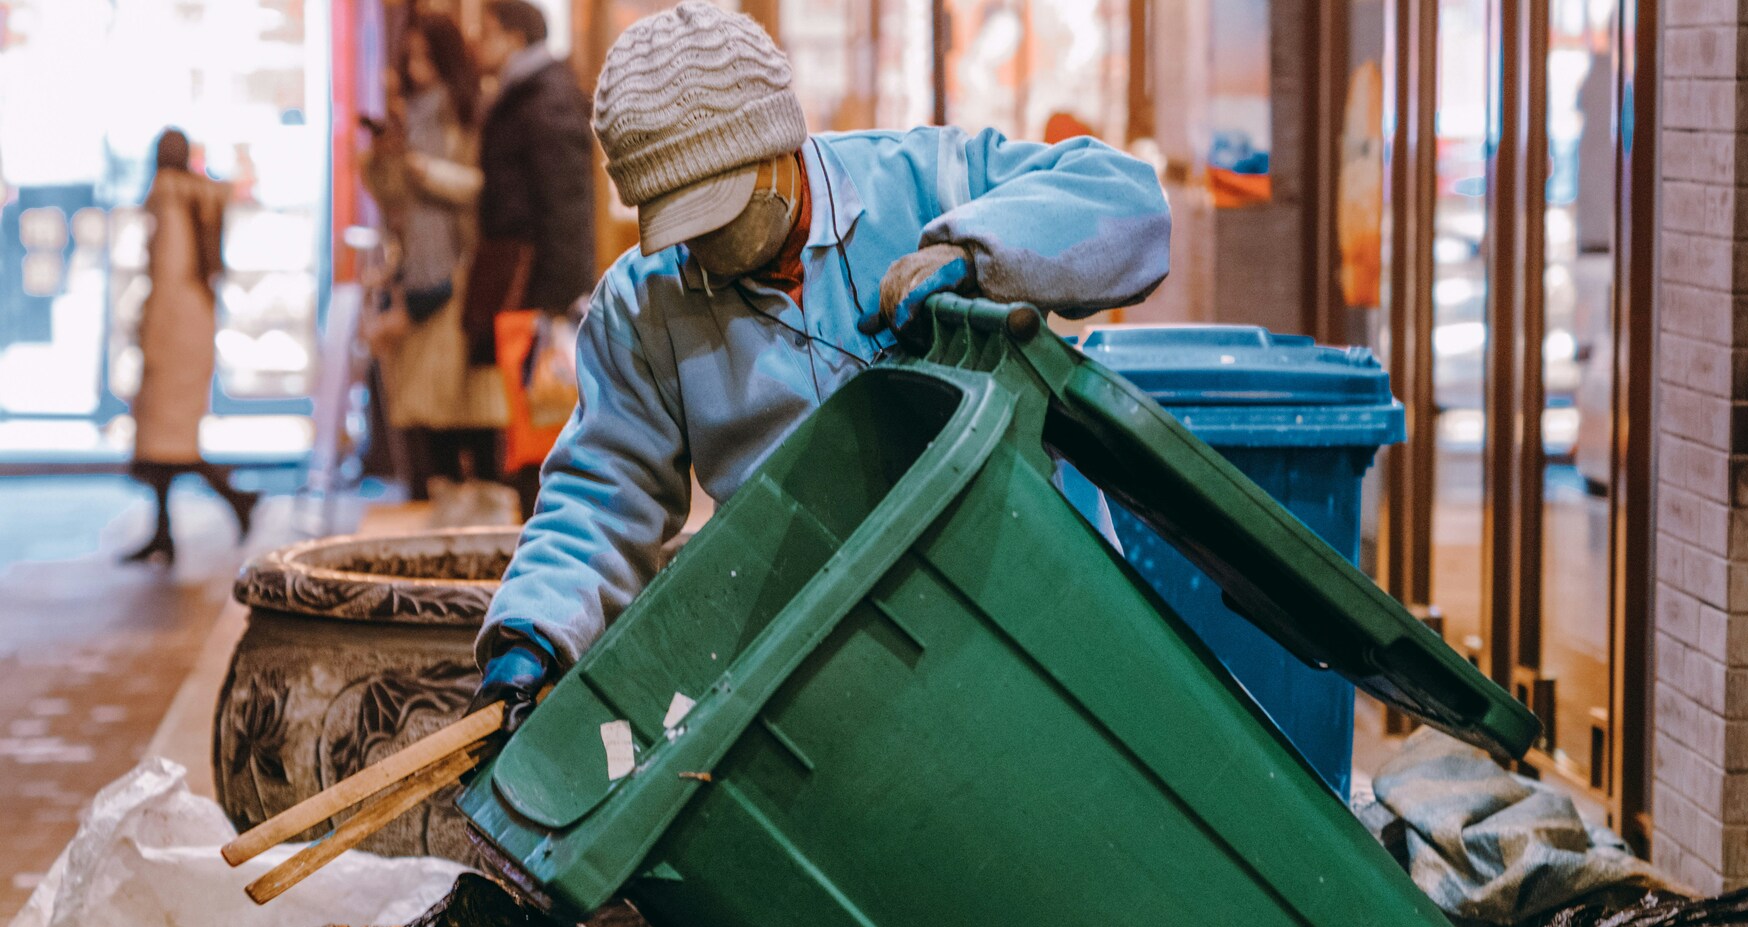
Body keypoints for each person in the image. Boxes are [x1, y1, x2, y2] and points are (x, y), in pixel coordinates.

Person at [470, 1, 1170, 731]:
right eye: (676, 220)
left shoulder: (924, 180)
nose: (701, 244)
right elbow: (601, 493)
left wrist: (981, 255)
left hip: (1028, 600)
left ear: (778, 144)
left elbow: (1131, 206)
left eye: (717, 210)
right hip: (826, 661)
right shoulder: (644, 305)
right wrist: (535, 631)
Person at [363, 14, 507, 498]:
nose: (417, 68)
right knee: (428, 405)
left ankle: (484, 500)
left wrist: (428, 171)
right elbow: (393, 202)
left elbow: (484, 190)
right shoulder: (412, 115)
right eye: (410, 58)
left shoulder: (469, 112)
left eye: (426, 56)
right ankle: (443, 497)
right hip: (419, 274)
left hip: (462, 271)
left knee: (469, 401)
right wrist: (381, 158)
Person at [465, 0, 596, 519]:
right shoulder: (528, 95)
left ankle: (545, 552)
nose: (478, 45)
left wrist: (559, 302)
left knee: (540, 428)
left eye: (487, 32)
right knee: (529, 429)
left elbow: (565, 208)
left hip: (538, 290)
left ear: (514, 37)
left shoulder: (543, 98)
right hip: (523, 285)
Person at [123, 129, 254, 565]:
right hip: (195, 319)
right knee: (165, 443)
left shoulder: (169, 197)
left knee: (169, 443)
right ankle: (164, 531)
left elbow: (168, 270)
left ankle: (234, 498)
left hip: (172, 325)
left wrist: (149, 335)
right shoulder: (202, 195)